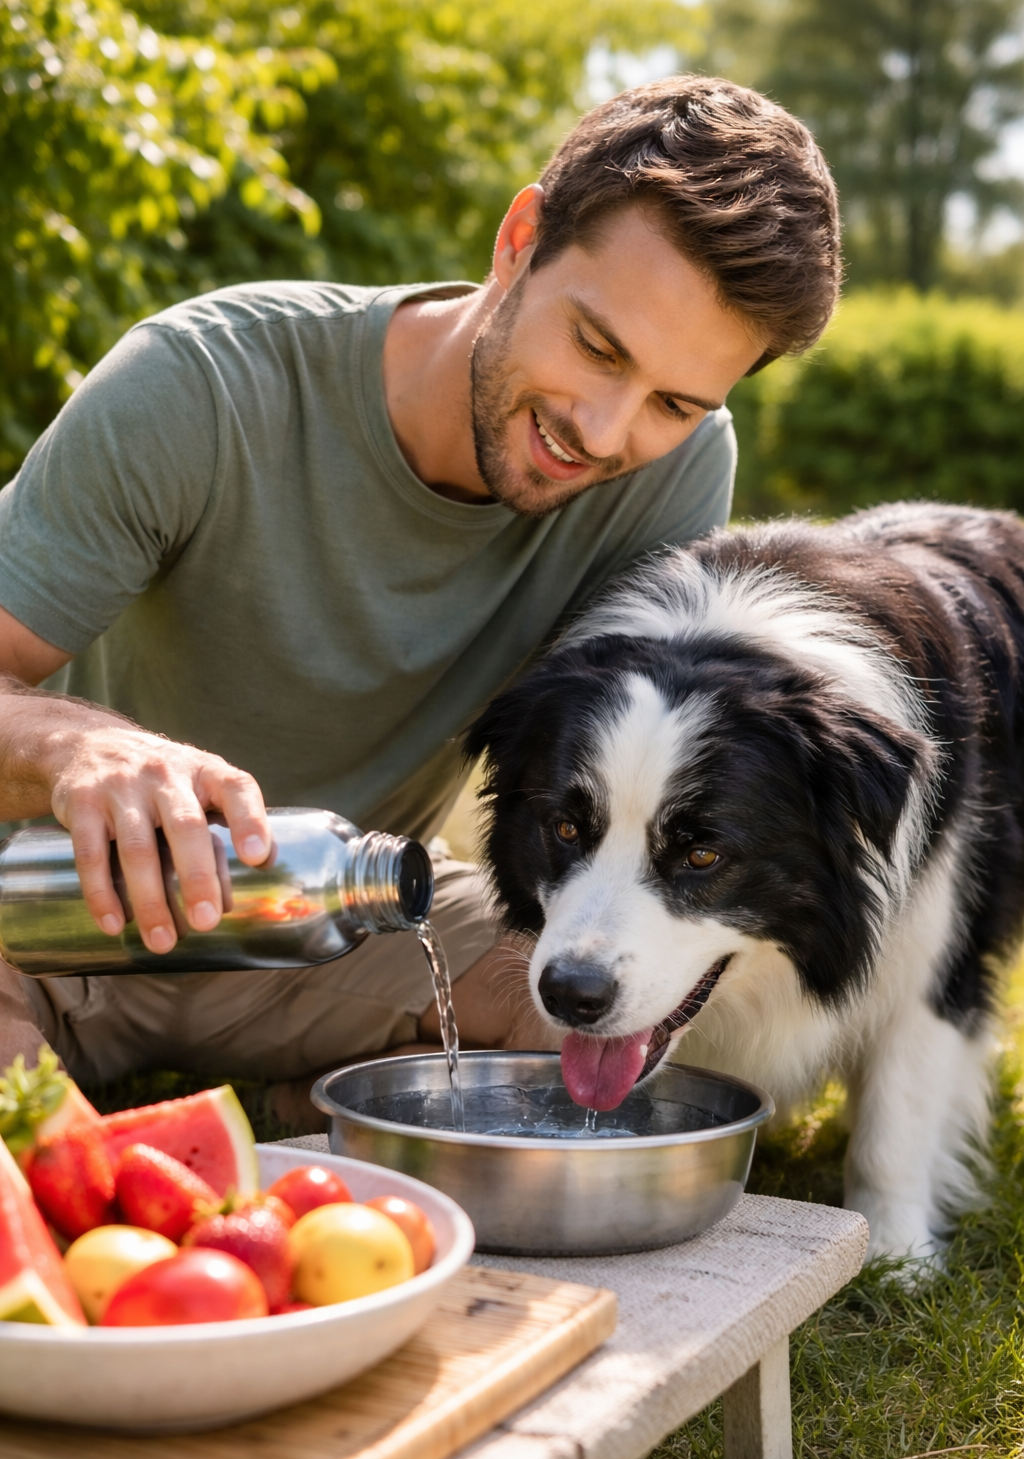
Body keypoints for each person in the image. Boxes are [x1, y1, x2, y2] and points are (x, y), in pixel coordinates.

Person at [0, 76, 841, 1122]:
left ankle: (311, 1112)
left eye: (673, 401)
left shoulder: (675, 469)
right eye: (596, 347)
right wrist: (78, 748)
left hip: (352, 927)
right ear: (519, 239)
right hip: (43, 919)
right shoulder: (202, 382)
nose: (603, 431)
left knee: (603, 1026)